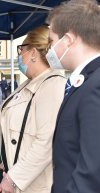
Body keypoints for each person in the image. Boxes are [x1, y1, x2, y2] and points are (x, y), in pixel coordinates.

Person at [0, 26, 66, 193]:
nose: (19, 55)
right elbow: (22, 134)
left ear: (33, 53)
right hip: (19, 177)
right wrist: (6, 161)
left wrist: (14, 178)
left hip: (35, 185)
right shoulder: (29, 83)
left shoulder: (52, 85)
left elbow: (46, 143)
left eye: (21, 49)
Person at [46, 1, 100, 192]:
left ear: (68, 40)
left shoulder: (95, 86)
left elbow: (92, 170)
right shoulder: (86, 81)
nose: (50, 49)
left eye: (51, 41)